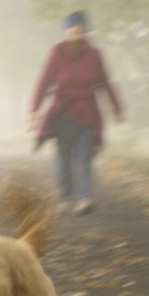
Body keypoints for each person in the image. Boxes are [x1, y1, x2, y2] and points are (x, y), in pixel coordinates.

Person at [27, 11, 124, 215]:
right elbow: (43, 82)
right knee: (63, 158)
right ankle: (64, 197)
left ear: (85, 31)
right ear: (66, 31)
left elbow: (105, 83)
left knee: (84, 157)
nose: (76, 32)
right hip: (62, 114)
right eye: (72, 29)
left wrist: (117, 108)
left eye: (80, 29)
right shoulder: (56, 53)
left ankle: (84, 198)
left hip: (86, 114)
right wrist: (34, 109)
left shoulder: (94, 54)